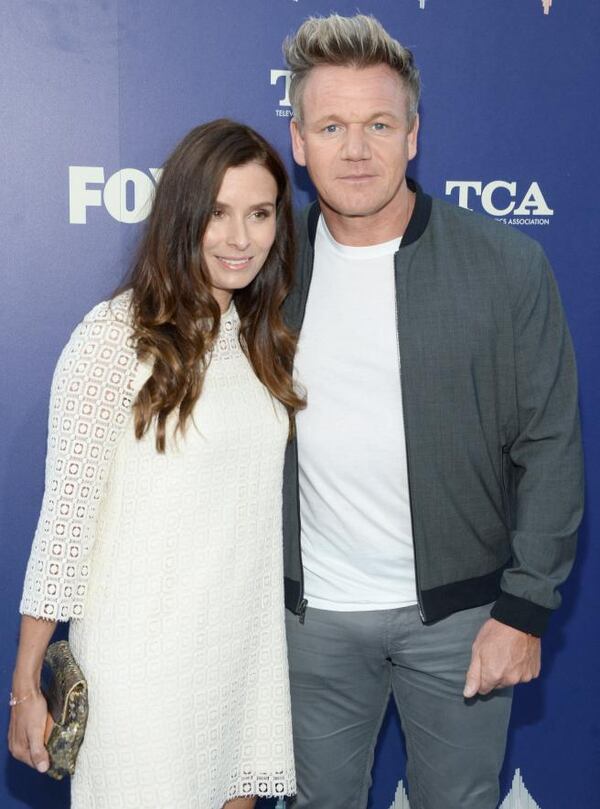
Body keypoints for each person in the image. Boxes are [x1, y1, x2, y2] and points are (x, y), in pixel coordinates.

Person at [281, 14, 583, 809]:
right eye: (332, 125)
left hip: (462, 620)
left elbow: (551, 445)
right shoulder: (263, 270)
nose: (356, 148)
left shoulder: (505, 265)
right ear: (298, 141)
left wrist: (523, 609)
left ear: (413, 135)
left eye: (379, 124)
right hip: (307, 624)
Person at [9, 119, 304, 809]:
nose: (240, 238)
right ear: (181, 218)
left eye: (259, 214)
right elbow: (65, 521)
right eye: (219, 214)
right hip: (140, 663)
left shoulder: (258, 343)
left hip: (238, 654)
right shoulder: (115, 336)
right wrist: (27, 684)